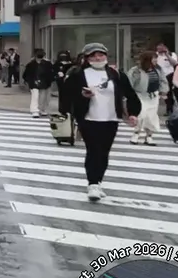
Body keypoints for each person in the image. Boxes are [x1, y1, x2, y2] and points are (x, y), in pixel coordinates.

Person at [58, 43, 140, 202]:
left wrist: (133, 113)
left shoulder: (116, 74)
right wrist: (81, 96)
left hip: (111, 118)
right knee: (93, 150)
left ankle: (98, 181)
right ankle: (92, 183)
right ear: (86, 58)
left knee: (104, 152)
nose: (97, 58)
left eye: (100, 55)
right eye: (93, 55)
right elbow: (66, 94)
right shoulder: (78, 74)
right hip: (88, 118)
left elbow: (130, 94)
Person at [127, 50, 162, 145]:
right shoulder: (136, 70)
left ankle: (149, 136)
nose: (156, 60)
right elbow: (129, 83)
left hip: (153, 96)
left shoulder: (157, 69)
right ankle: (136, 133)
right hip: (140, 95)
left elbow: (162, 80)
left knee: (151, 116)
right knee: (141, 115)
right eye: (154, 58)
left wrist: (164, 91)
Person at [22, 49, 54, 117]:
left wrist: (49, 81)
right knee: (35, 96)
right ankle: (35, 110)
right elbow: (26, 74)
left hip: (44, 83)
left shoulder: (47, 64)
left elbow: (51, 73)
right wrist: (28, 81)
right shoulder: (31, 64)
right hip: (34, 82)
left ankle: (41, 109)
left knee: (42, 97)